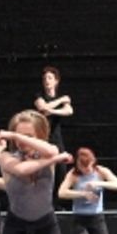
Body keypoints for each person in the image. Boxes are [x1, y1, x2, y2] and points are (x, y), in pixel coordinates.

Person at [35, 65, 73, 197]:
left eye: (50, 78)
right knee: (45, 170)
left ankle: (60, 201)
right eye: (45, 78)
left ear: (56, 81)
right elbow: (42, 108)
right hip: (43, 138)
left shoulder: (60, 97)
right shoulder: (40, 96)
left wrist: (50, 111)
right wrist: (61, 101)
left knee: (61, 169)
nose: (47, 81)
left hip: (56, 137)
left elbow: (69, 111)